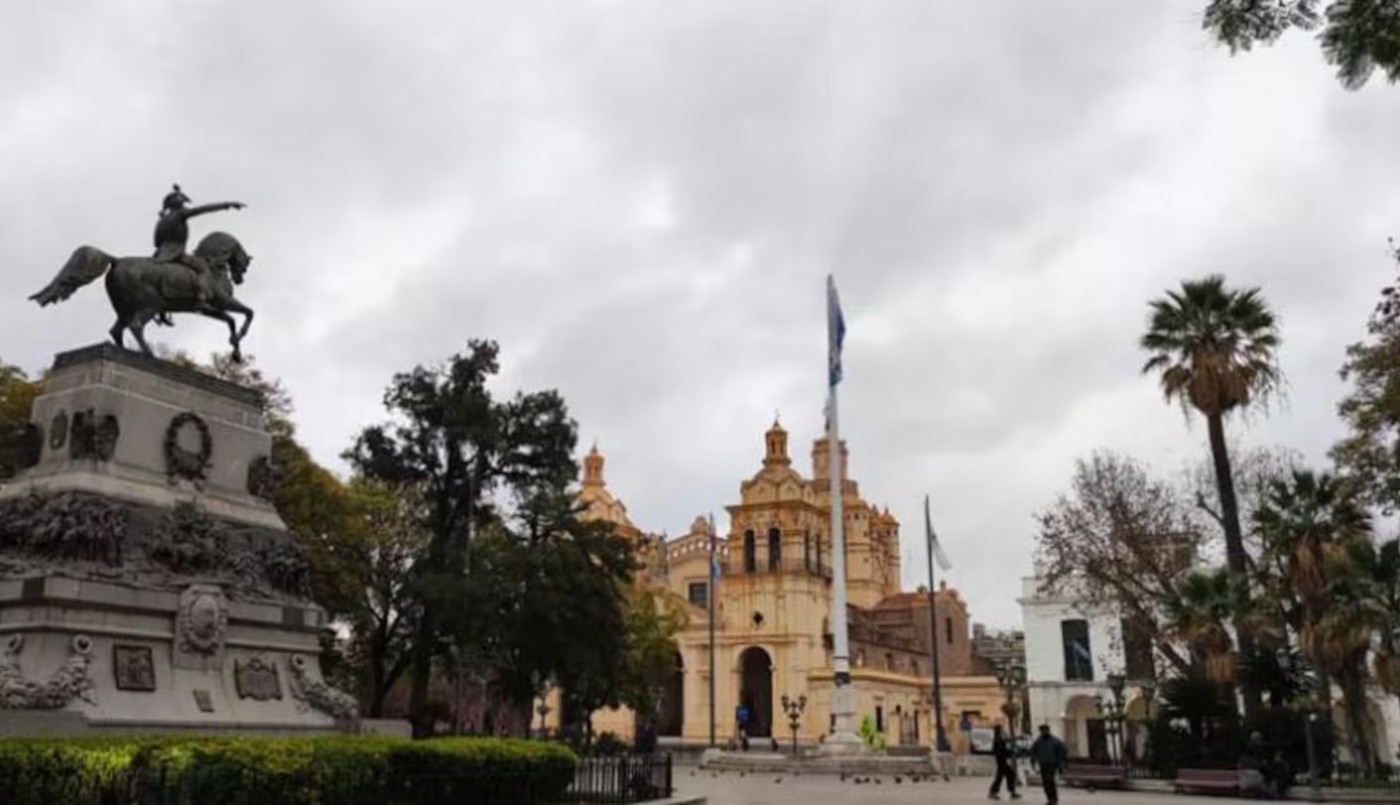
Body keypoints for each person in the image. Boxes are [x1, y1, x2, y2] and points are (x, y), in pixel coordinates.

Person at [1029, 724, 1067, 805]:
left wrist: (1060, 763)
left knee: (1050, 781)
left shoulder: (1055, 741)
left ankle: (1053, 799)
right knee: (1045, 782)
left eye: (1045, 730)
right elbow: (1033, 752)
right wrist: (1033, 762)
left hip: (1052, 764)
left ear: (1048, 730)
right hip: (1043, 764)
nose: (1043, 732)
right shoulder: (1038, 741)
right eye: (1042, 730)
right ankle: (1050, 798)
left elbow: (1062, 751)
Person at [989, 724, 1022, 800]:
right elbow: (1001, 751)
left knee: (1010, 774)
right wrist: (1010, 752)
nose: (1003, 731)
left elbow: (1006, 741)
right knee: (1001, 777)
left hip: (1002, 761)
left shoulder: (999, 738)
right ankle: (993, 792)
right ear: (999, 731)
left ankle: (1011, 792)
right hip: (1001, 761)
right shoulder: (998, 739)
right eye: (1002, 730)